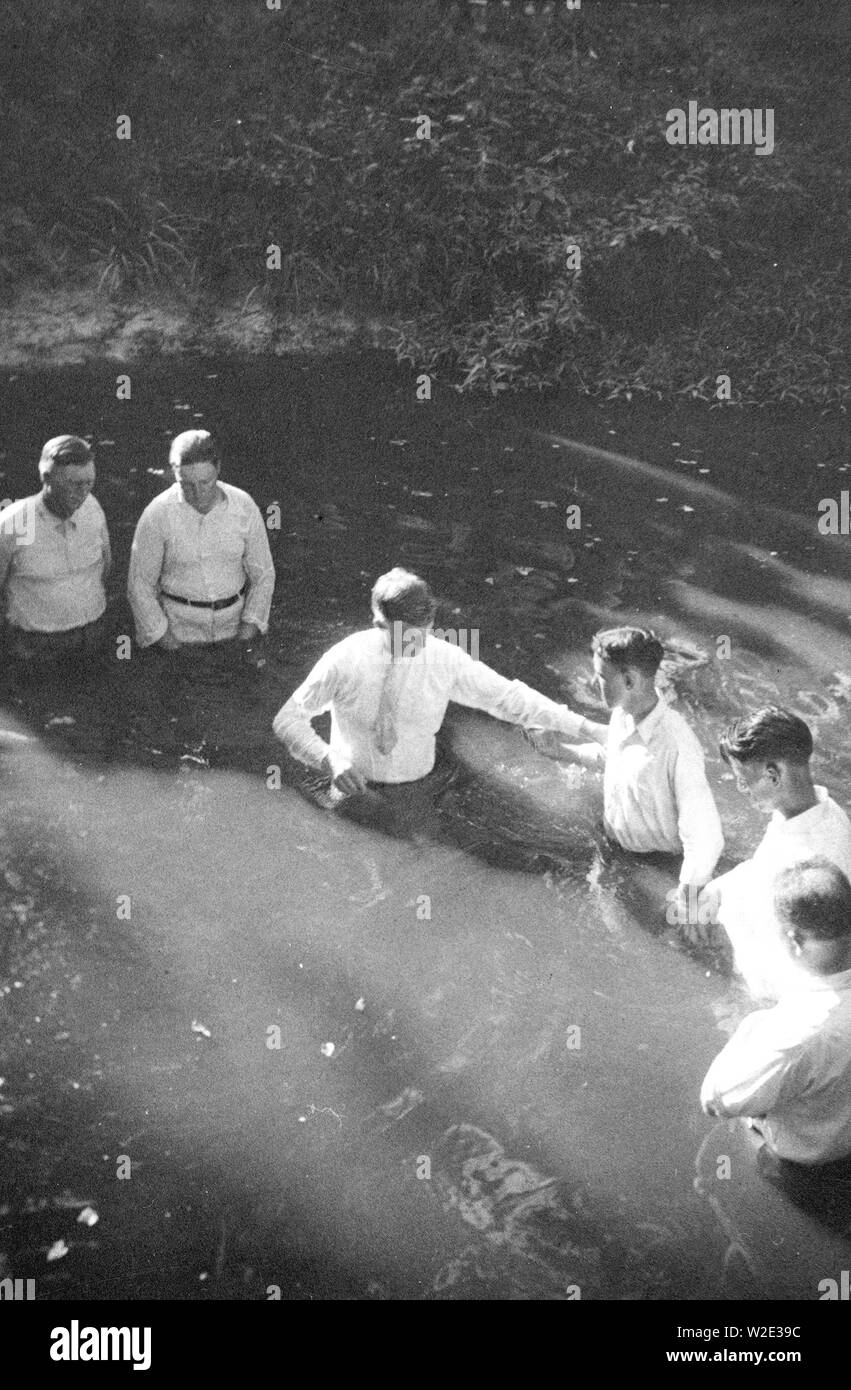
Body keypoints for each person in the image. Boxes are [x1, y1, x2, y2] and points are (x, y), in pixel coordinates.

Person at [273, 566, 601, 801]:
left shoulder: (445, 659)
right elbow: (287, 719)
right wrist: (329, 760)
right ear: (378, 624)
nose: (412, 646)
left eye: (421, 635)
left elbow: (508, 698)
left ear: (431, 622)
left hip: (419, 788)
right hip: (349, 788)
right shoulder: (344, 659)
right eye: (400, 636)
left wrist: (588, 728)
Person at [526, 626, 724, 916]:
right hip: (614, 851)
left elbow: (707, 838)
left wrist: (687, 906)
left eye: (601, 677)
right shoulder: (623, 713)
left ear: (630, 680)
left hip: (657, 867)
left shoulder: (677, 746)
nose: (595, 684)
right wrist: (560, 751)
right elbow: (617, 760)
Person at [701, 858, 851, 1171]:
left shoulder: (795, 1032)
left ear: (794, 940)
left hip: (812, 1161)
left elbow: (717, 1100)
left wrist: (753, 1026)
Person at [696, 707, 851, 994]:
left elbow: (803, 963)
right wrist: (718, 888)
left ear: (773, 774)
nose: (741, 788)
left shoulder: (813, 858)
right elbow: (762, 866)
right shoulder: (814, 808)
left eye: (743, 778)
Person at [127, 430, 275, 658]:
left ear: (218, 468)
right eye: (187, 485)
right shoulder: (156, 514)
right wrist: (170, 644)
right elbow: (139, 587)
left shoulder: (244, 507)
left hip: (236, 630)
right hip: (179, 635)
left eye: (206, 482)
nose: (198, 493)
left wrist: (246, 636)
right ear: (174, 474)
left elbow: (263, 575)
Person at [0, 435, 111, 664]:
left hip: (93, 638)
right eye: (73, 484)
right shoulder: (14, 522)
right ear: (46, 478)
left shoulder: (93, 508)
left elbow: (106, 565)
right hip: (35, 648)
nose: (81, 493)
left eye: (88, 483)